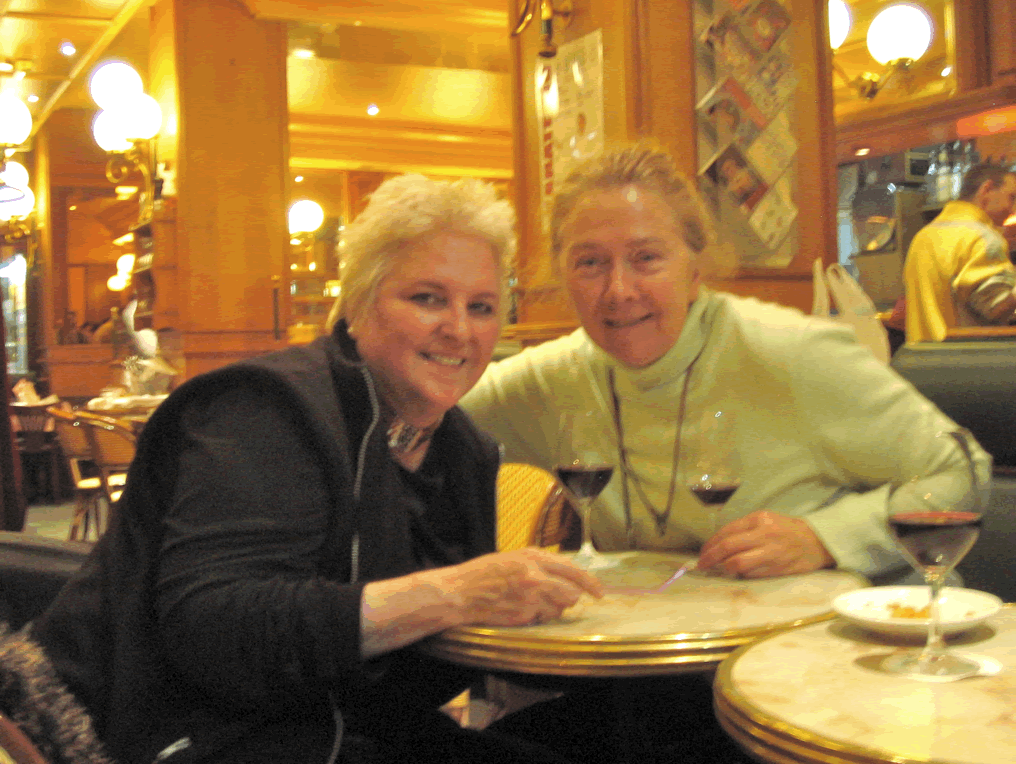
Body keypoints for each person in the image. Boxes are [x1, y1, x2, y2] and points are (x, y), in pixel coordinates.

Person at [23, 174, 602, 764]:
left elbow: (414, 678)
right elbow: (213, 632)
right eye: (427, 298)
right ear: (356, 304)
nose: (459, 329)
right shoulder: (265, 409)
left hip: (345, 732)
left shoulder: (462, 450)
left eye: (481, 307)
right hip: (195, 738)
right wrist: (453, 594)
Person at [463, 143, 991, 763]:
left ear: (695, 264)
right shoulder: (550, 379)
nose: (618, 290)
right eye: (589, 263)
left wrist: (823, 536)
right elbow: (424, 415)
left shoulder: (792, 354)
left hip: (836, 675)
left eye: (646, 258)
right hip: (662, 678)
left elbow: (961, 470)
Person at [904, 163, 1016, 342]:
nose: (1012, 209)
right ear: (986, 189)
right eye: (1012, 197)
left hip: (922, 361)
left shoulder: (923, 236)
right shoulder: (981, 237)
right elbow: (996, 308)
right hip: (967, 362)